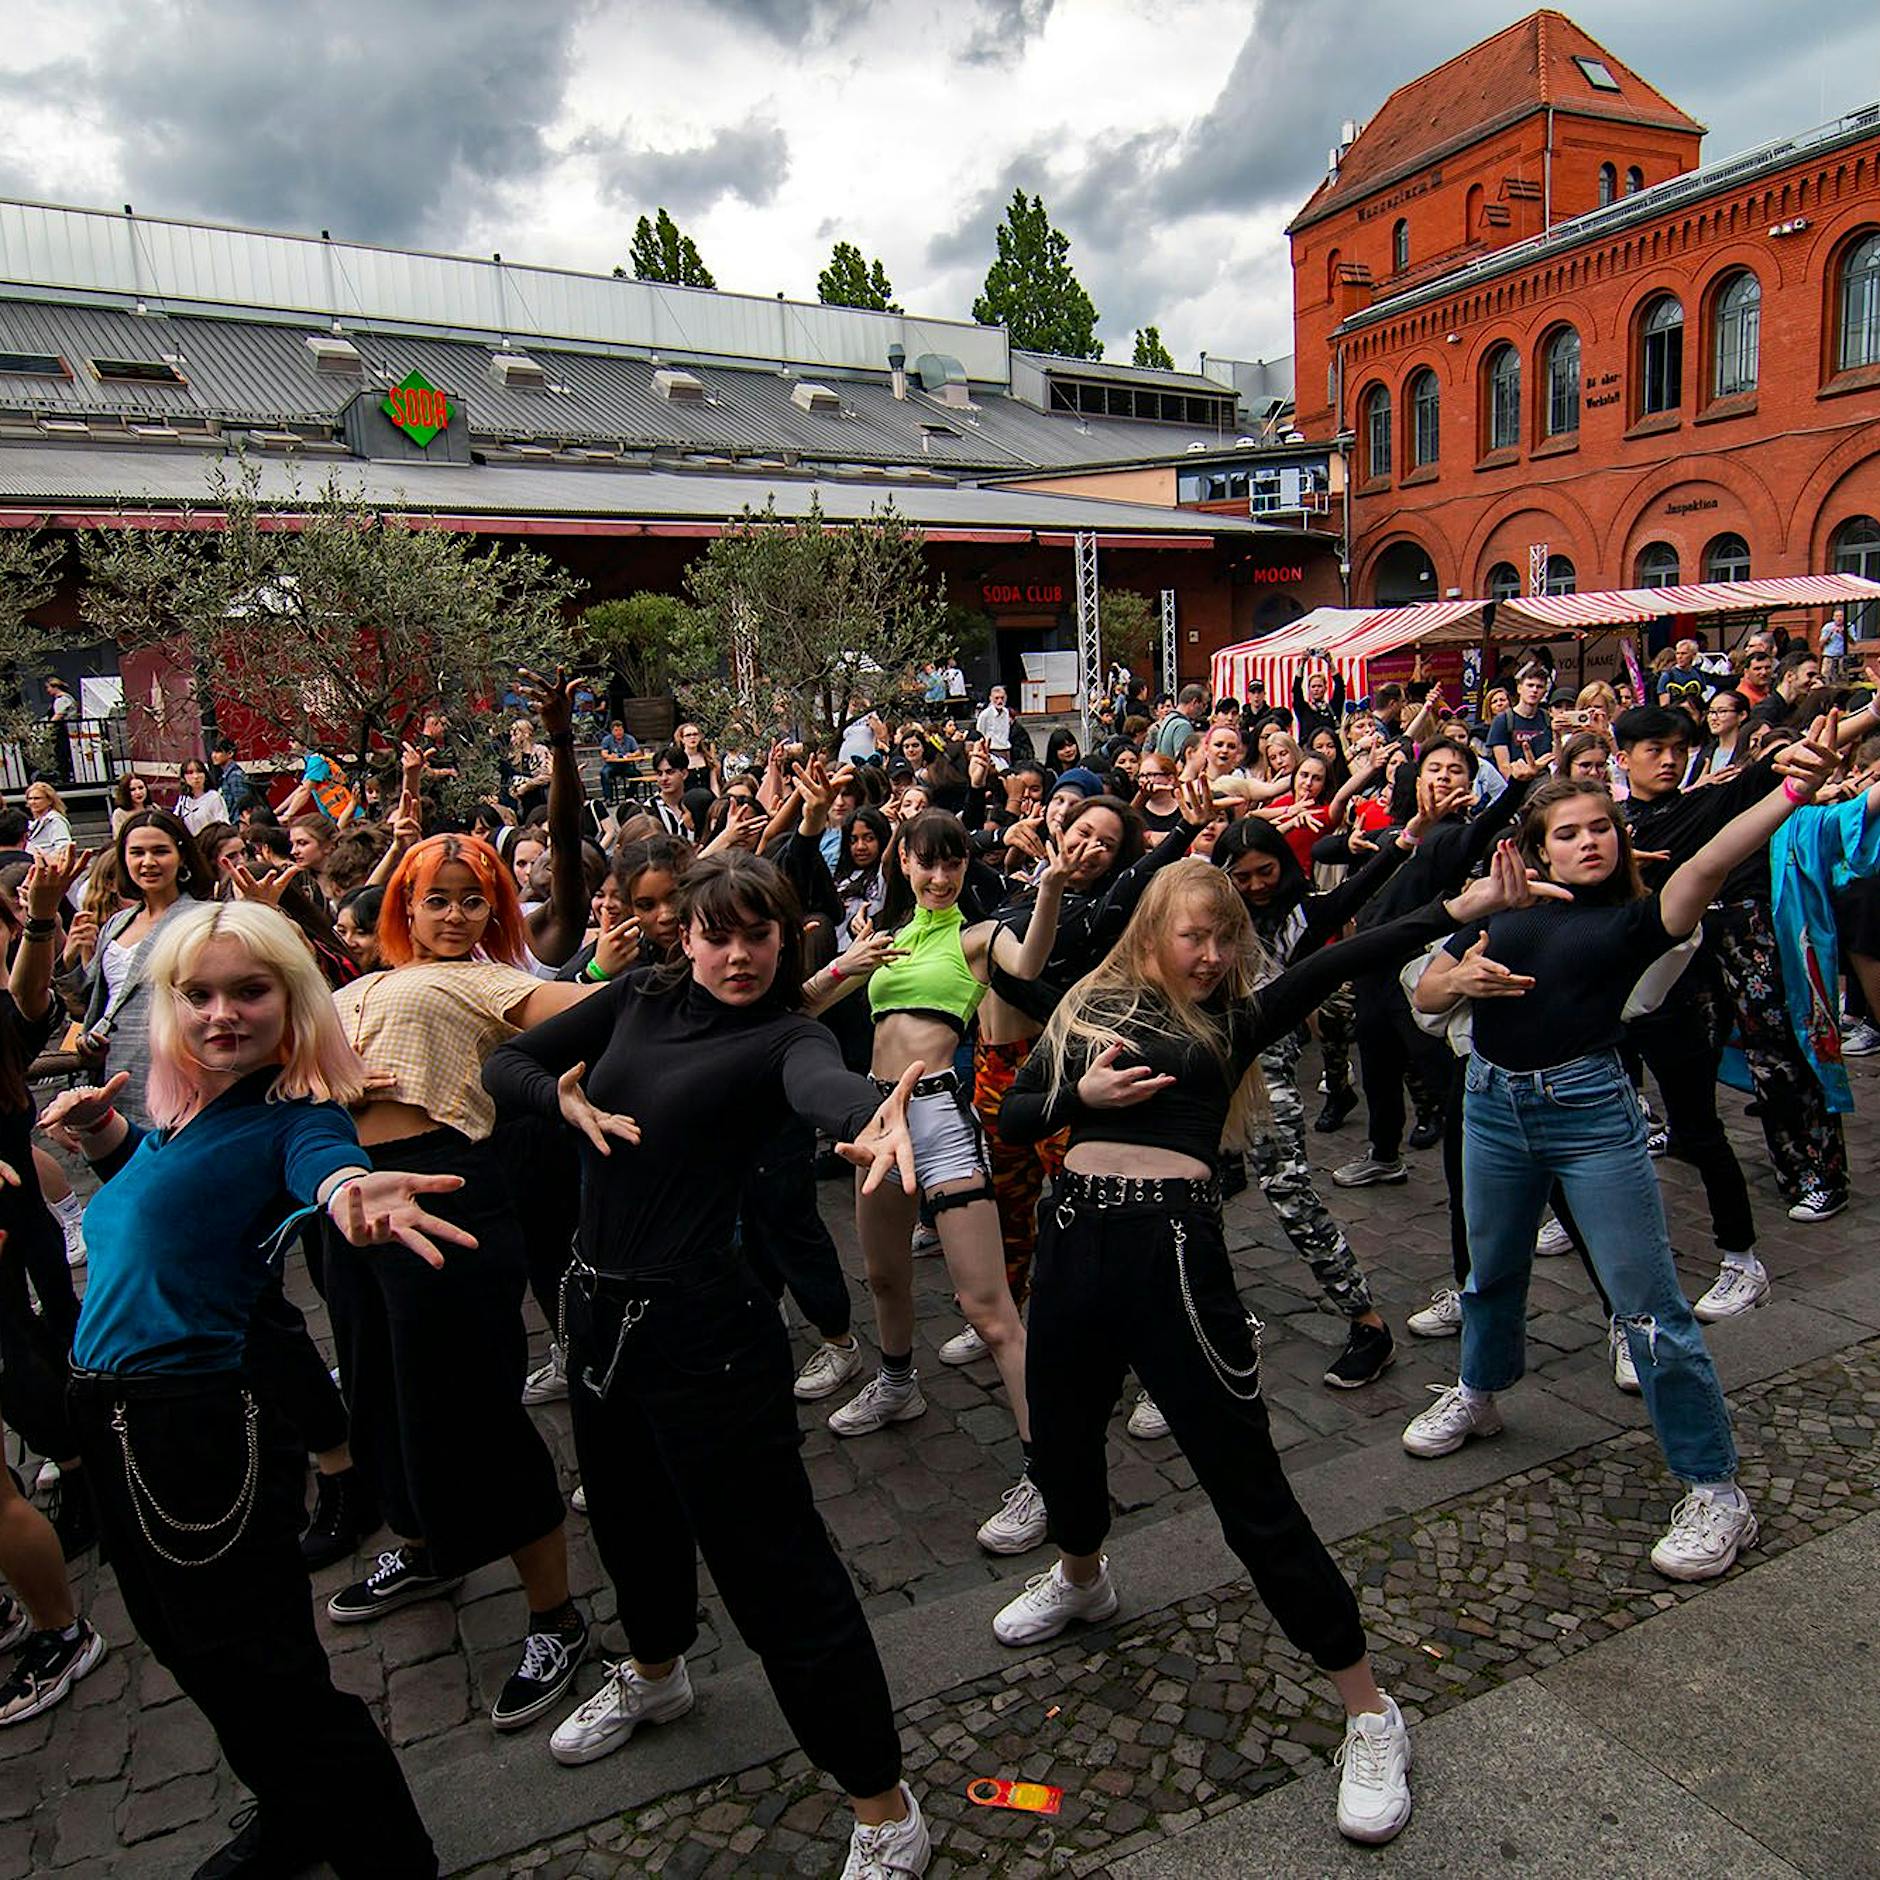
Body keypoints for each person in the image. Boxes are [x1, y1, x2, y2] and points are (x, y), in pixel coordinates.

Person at [989, 850, 1546, 1846]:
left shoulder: (1232, 1017)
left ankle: (1368, 1708)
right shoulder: (1082, 1005)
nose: (1207, 955)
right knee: (1062, 1445)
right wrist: (1085, 1101)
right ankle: (1082, 1578)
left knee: (1246, 1488)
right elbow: (1017, 1110)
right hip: (1074, 1244)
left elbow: (1342, 957)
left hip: (1171, 1255)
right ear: (1150, 931)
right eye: (1190, 935)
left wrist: (1459, 903)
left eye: (1222, 938)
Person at [482, 853, 934, 1875]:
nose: (737, 954)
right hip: (597, 1318)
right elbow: (501, 1066)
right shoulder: (636, 999)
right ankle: (653, 1672)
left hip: (706, 1336)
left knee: (776, 1571)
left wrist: (869, 1114)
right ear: (682, 936)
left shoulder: (788, 1032)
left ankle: (882, 1802)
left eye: (758, 933)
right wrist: (564, 1104)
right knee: (632, 1524)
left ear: (787, 939)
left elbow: (822, 1087)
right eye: (716, 933)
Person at [46, 900, 451, 1876]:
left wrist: (350, 1194)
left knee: (262, 1667)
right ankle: (297, 1811)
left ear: (291, 999)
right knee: (194, 1651)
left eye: (249, 990)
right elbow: (170, 1205)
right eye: (200, 993)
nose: (223, 1011)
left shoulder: (292, 1115)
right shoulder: (187, 1115)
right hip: (115, 1418)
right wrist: (109, 1141)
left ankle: (389, 1856)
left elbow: (322, 1165)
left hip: (190, 1426)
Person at [1400, 729, 1843, 1580]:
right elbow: (1425, 988)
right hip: (1492, 1107)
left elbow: (1709, 863)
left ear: (1619, 837)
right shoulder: (1504, 911)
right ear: (1536, 851)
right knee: (1488, 1273)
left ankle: (1718, 1492)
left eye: (1599, 827)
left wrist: (1786, 796)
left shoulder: (1638, 920)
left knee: (1649, 1309)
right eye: (1566, 833)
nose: (1587, 842)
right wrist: (1458, 982)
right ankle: (1481, 1394)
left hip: (1589, 1114)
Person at [323, 835, 594, 1732]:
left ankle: (558, 1616)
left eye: (472, 900)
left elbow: (595, 1006)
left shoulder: (480, 980)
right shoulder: (352, 989)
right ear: (399, 904)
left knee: (472, 1410)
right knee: (380, 1398)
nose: (453, 915)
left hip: (447, 1192)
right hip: (349, 1204)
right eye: (435, 899)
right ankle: (427, 1543)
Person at [819, 810, 1071, 1555]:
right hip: (873, 1116)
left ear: (965, 867)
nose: (939, 876)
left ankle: (1047, 1474)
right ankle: (898, 1382)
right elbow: (811, 1002)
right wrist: (847, 963)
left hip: (936, 1118)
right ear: (903, 862)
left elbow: (1026, 964)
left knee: (988, 1307)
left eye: (952, 863)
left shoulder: (978, 936)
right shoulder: (880, 932)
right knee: (883, 1275)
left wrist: (1050, 887)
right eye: (927, 862)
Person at [64, 809, 215, 1124]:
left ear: (182, 856)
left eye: (160, 851)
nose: (148, 862)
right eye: (137, 852)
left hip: (177, 1073)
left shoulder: (204, 918)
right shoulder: (117, 923)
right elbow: (95, 1001)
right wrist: (71, 957)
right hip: (112, 1072)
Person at [1486, 667, 1553, 776]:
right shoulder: (1502, 720)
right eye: (1530, 685)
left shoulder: (1548, 719)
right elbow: (1504, 767)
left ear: (1544, 692)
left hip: (1543, 783)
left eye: (1539, 687)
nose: (1534, 690)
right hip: (1515, 782)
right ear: (1519, 688)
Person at [174, 759, 230, 836]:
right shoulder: (183, 800)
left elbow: (223, 825)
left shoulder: (214, 797)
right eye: (190, 773)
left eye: (199, 771)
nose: (196, 776)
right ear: (183, 778)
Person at [22, 781, 72, 857]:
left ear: (50, 800)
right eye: (30, 799)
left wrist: (46, 861)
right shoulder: (35, 822)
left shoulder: (55, 820)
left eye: (37, 798)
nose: (33, 802)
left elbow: (63, 847)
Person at [208, 736, 255, 815]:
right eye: (213, 752)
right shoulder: (226, 775)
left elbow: (241, 806)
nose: (214, 755)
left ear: (230, 753)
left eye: (218, 752)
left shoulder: (235, 776)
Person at [597, 719, 639, 806]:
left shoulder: (630, 738)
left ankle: (629, 796)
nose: (619, 732)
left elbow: (638, 751)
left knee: (637, 774)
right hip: (612, 765)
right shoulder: (607, 739)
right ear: (612, 731)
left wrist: (632, 754)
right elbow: (603, 753)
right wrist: (610, 756)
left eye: (620, 730)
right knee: (604, 773)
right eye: (616, 730)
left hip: (626, 764)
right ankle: (608, 798)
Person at [975, 685, 1014, 769]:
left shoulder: (1006, 712)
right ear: (991, 699)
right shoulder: (985, 715)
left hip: (1006, 749)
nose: (999, 701)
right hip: (993, 750)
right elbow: (979, 733)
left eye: (1002, 698)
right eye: (996, 698)